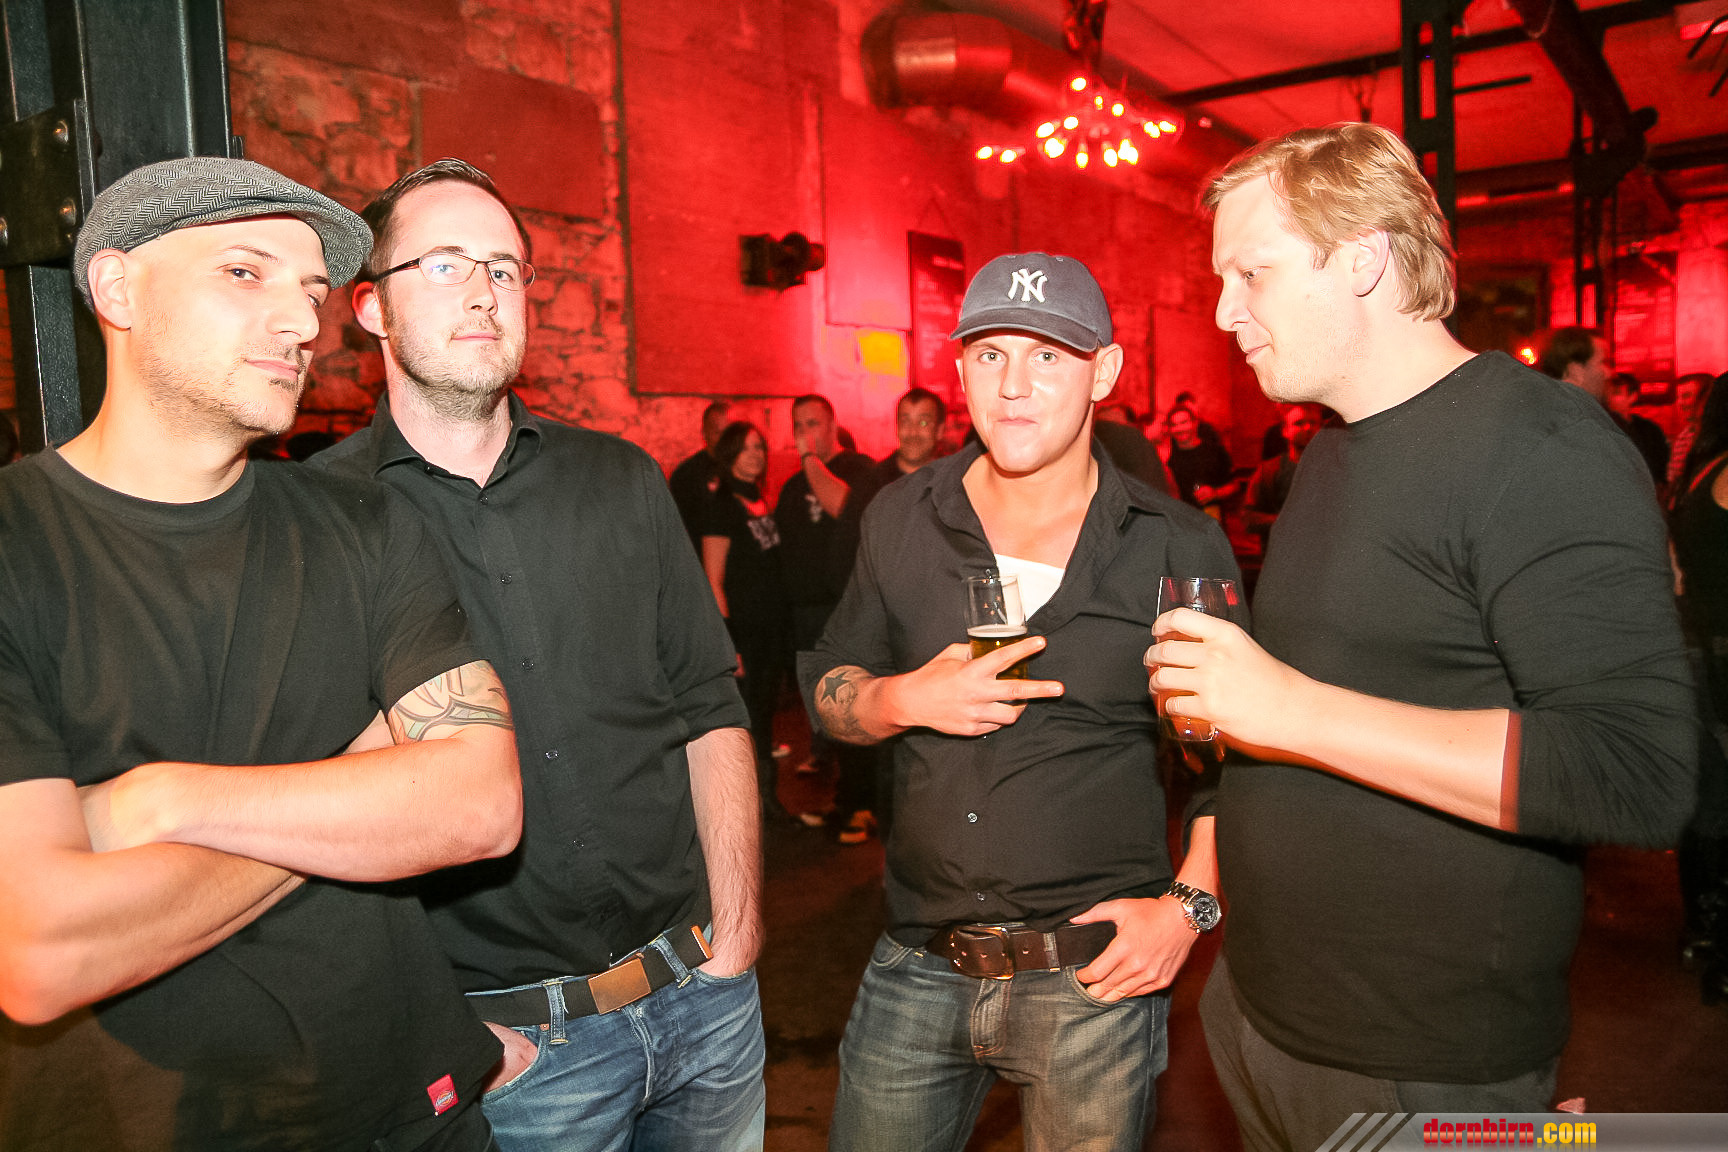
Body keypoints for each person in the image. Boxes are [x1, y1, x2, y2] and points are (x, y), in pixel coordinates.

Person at [1155, 122, 1695, 1149]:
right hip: (1259, 1015)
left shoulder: (1540, 445)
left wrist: (1287, 707)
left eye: (1251, 273)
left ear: (1363, 257)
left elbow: (1635, 770)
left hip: (1421, 1065)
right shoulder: (1332, 451)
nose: (1224, 311)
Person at [0, 157, 522, 1151]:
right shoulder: (17, 548)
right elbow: (42, 949)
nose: (299, 322)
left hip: (414, 1118)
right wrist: (366, 775)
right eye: (245, 273)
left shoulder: (365, 520)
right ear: (117, 288)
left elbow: (481, 804)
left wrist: (160, 800)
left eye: (311, 293)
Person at [315, 159, 765, 1152]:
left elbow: (708, 706)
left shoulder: (623, 480)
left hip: (706, 1002)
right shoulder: (320, 518)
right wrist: (442, 1028)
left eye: (503, 267)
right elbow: (308, 810)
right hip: (517, 1054)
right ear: (372, 309)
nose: (483, 291)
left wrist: (736, 936)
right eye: (442, 264)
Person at [803, 252, 1235, 1152]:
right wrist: (901, 698)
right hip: (917, 965)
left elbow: (1237, 761)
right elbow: (828, 689)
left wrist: (1188, 909)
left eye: (1048, 356)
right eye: (991, 354)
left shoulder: (1174, 545)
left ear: (1103, 373)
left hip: (1093, 981)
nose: (1013, 385)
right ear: (960, 369)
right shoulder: (901, 516)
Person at [777, 393, 881, 841]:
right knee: (825, 719)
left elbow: (844, 508)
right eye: (798, 425)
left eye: (813, 423)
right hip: (806, 615)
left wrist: (810, 460)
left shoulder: (860, 469)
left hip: (846, 611)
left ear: (833, 425)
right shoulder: (791, 485)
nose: (805, 434)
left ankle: (864, 806)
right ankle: (843, 801)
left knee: (852, 708)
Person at [1665, 370, 1728, 1003]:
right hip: (1715, 653)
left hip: (1699, 644)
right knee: (1716, 796)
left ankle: (1705, 928)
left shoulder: (1703, 469)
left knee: (1709, 792)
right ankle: (1714, 934)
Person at [700, 420, 791, 820]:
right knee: (748, 720)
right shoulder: (721, 506)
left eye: (760, 448)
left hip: (771, 629)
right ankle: (751, 808)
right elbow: (713, 579)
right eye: (747, 448)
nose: (756, 455)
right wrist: (729, 643)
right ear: (730, 454)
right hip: (746, 634)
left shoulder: (759, 499)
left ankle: (768, 803)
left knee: (766, 716)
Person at [1241, 402, 1321, 542]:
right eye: (1299, 423)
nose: (1308, 428)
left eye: (1313, 423)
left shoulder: (1335, 468)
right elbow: (1249, 519)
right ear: (1285, 430)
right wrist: (1287, 521)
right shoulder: (1268, 471)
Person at [670, 399, 733, 546]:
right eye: (717, 432)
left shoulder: (741, 469)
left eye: (729, 433)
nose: (724, 439)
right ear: (704, 433)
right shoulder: (686, 475)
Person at [1164, 405, 1237, 515]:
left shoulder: (1215, 451)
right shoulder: (1167, 456)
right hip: (1177, 517)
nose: (1179, 428)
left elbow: (1234, 485)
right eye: (1174, 425)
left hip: (1209, 516)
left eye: (1184, 422)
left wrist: (1215, 493)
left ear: (1195, 423)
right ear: (1169, 429)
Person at [872, 386, 947, 487]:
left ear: (939, 430)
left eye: (923, 423)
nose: (913, 433)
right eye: (906, 422)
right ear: (897, 427)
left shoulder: (953, 482)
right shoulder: (872, 485)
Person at [1670, 371, 1718, 494]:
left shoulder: (1719, 437)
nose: (1680, 403)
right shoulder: (1684, 435)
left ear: (1707, 398)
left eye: (1686, 396)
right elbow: (1674, 481)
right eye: (1678, 397)